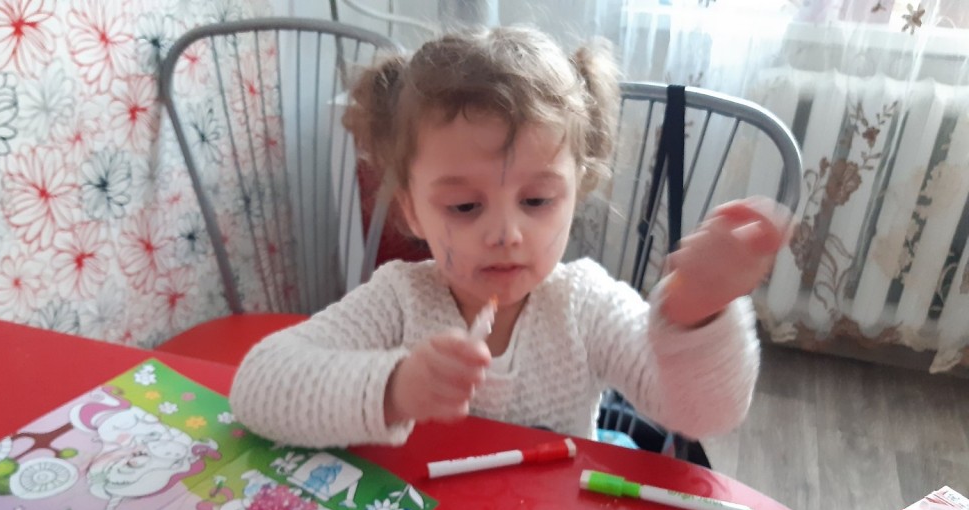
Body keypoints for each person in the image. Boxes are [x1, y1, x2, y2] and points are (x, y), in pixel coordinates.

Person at [229, 25, 791, 450]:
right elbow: (258, 386)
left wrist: (698, 312)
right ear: (413, 212)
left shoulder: (585, 305)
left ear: (576, 192)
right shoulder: (399, 300)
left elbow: (703, 415)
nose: (505, 234)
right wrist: (395, 387)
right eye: (464, 206)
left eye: (537, 200)